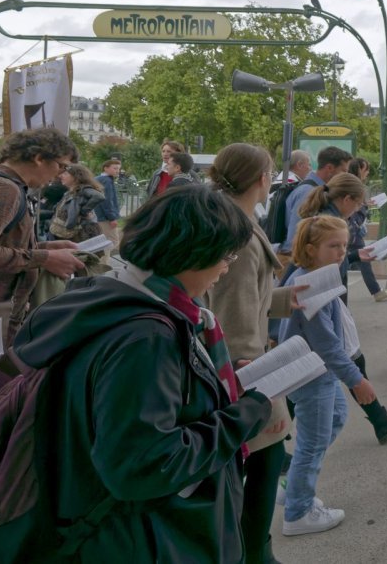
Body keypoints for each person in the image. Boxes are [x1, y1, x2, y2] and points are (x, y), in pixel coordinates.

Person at [14, 184, 273, 561]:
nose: (225, 267)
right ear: (195, 252)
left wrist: (214, 379)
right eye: (227, 256)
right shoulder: (148, 337)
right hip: (143, 538)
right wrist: (244, 414)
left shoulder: (114, 298)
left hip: (117, 530)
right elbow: (143, 465)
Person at [279, 215, 387, 535]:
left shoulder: (312, 273)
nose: (342, 252)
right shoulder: (311, 283)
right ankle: (298, 511)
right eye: (334, 246)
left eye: (344, 245)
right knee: (312, 444)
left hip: (315, 372)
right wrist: (357, 379)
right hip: (313, 373)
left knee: (336, 417)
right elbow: (327, 345)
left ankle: (295, 486)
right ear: (312, 249)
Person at [204, 143, 301, 564]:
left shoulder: (227, 218)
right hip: (244, 362)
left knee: (259, 462)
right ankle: (255, 554)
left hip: (235, 356)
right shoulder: (240, 232)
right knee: (266, 459)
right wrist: (254, 374)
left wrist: (281, 300)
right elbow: (235, 308)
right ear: (261, 178)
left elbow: (239, 297)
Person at [0, 128, 84, 398]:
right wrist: (43, 257)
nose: (58, 175)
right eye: (60, 165)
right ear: (39, 157)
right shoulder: (2, 190)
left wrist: (41, 248)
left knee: (22, 393)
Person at [299, 172, 372, 304]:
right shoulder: (331, 224)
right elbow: (328, 264)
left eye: (344, 246)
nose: (357, 209)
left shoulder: (324, 217)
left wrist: (354, 255)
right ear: (347, 200)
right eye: (358, 204)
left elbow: (330, 258)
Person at [279, 146, 352, 264]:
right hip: (295, 261)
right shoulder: (307, 192)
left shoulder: (315, 189)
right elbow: (296, 235)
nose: (345, 175)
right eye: (343, 171)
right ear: (329, 168)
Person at [347, 157, 387, 302]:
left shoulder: (352, 182)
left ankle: (376, 291)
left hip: (352, 228)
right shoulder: (354, 184)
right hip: (353, 228)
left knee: (360, 259)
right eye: (366, 169)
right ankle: (376, 291)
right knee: (361, 257)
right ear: (359, 169)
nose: (367, 172)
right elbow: (353, 206)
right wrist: (364, 205)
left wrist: (366, 203)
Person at [49, 163, 106, 243]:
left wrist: (83, 211)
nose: (61, 176)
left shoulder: (83, 189)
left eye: (65, 174)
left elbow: (99, 196)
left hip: (79, 235)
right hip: (67, 234)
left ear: (76, 176)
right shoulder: (71, 192)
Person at [93, 159, 121, 250]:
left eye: (118, 169)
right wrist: (112, 218)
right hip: (105, 218)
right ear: (106, 168)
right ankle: (102, 263)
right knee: (112, 241)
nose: (117, 171)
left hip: (98, 215)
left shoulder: (98, 179)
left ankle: (102, 261)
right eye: (115, 168)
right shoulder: (107, 181)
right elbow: (107, 201)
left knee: (102, 241)